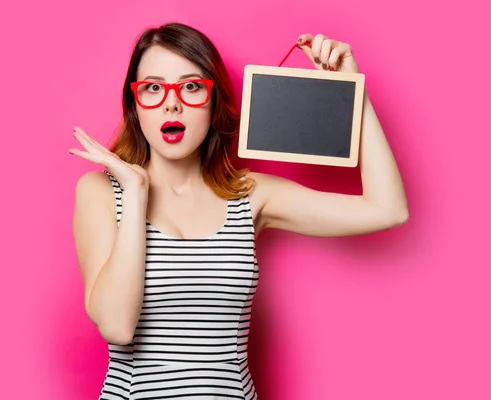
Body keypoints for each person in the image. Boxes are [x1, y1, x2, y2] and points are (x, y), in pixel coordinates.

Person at [70, 22, 409, 400]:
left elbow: (387, 209)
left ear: (214, 102)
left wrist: (354, 91)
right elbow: (117, 326)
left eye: (191, 86)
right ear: (134, 104)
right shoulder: (101, 193)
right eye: (152, 87)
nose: (171, 102)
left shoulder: (250, 195)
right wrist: (135, 192)